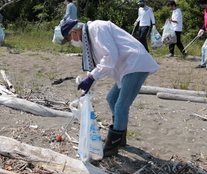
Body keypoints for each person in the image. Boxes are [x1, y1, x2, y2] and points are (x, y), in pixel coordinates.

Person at [58, 19, 160, 157]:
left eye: (69, 38)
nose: (71, 41)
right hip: (126, 67)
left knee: (121, 106)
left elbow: (110, 57)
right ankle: (120, 137)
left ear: (74, 32)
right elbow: (98, 66)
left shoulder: (97, 29)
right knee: (111, 99)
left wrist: (91, 78)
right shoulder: (89, 38)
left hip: (135, 63)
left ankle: (112, 147)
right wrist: (87, 84)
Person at [195, 0, 207, 69]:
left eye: (203, 4)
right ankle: (203, 64)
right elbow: (206, 22)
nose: (202, 6)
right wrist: (202, 29)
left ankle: (203, 64)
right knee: (204, 48)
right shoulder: (205, 11)